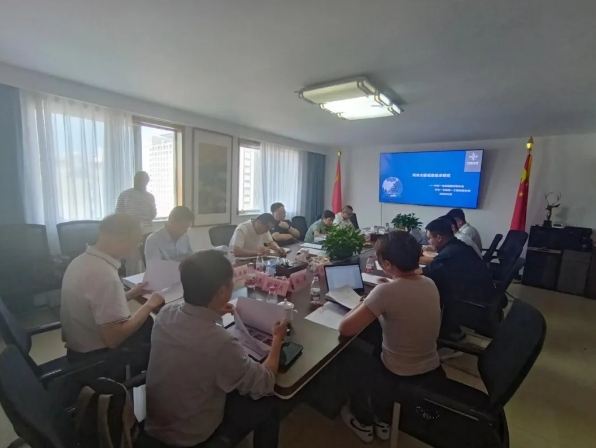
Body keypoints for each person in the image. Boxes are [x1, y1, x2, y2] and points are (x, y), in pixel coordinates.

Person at [145, 250, 287, 448]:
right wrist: (277, 339)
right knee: (270, 402)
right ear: (222, 291)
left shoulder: (165, 314)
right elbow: (265, 382)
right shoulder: (220, 343)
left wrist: (214, 311)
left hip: (156, 424)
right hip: (190, 436)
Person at [338, 232, 444, 443]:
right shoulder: (429, 283)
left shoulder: (385, 292)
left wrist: (368, 299)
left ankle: (364, 420)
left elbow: (345, 328)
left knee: (350, 352)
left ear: (387, 264)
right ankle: (384, 419)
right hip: (431, 364)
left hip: (398, 371)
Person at [60, 213, 165, 365]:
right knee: (154, 328)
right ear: (122, 241)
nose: (135, 249)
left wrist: (132, 293)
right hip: (95, 360)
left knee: (145, 323)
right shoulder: (105, 276)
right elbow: (114, 340)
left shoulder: (81, 261)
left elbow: (96, 302)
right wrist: (149, 305)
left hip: (78, 347)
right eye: (136, 243)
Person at [422, 218, 495, 337]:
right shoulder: (457, 246)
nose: (428, 241)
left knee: (424, 291)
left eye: (429, 238)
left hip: (470, 300)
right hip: (481, 293)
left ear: (439, 238)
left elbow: (426, 273)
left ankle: (439, 332)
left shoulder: (450, 253)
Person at [116, 171, 157, 274]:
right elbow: (118, 213)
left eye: (144, 181)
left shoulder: (150, 196)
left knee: (147, 257)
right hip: (129, 231)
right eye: (139, 180)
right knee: (130, 259)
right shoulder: (125, 194)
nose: (142, 183)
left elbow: (153, 213)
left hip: (147, 231)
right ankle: (129, 279)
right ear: (135, 181)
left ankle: (149, 277)